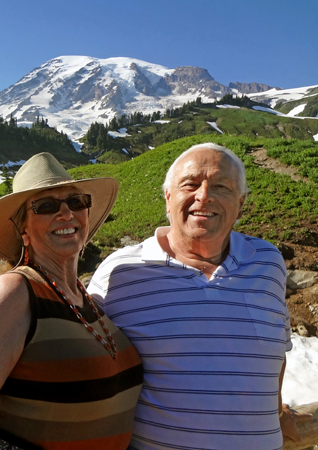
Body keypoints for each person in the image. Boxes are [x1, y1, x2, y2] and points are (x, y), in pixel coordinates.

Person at [89, 142, 311, 450]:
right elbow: (79, 359)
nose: (203, 196)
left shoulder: (268, 261)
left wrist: (276, 409)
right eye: (190, 184)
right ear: (168, 198)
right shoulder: (121, 271)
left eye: (221, 186)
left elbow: (273, 349)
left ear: (241, 202)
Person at [0, 152, 143, 450]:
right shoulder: (13, 293)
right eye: (46, 206)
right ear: (23, 230)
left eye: (75, 202)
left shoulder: (86, 298)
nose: (66, 214)